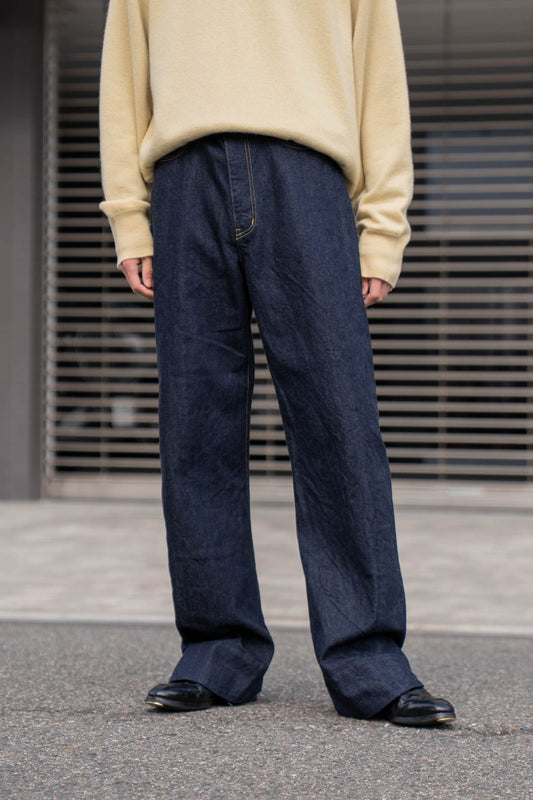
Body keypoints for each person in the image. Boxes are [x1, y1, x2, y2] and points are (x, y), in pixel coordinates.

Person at [98, 0, 455, 727]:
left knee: (339, 421)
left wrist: (382, 228)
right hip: (183, 179)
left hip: (310, 178)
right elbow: (122, 80)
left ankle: (368, 660)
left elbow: (379, 80)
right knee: (195, 425)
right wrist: (129, 216)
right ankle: (216, 651)